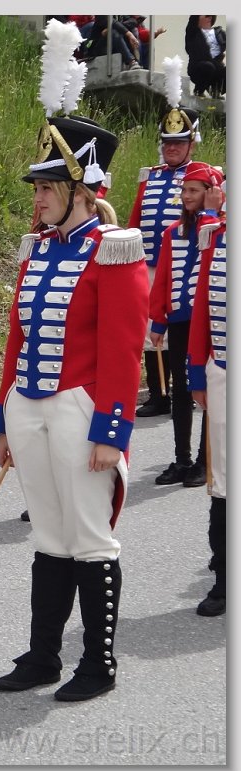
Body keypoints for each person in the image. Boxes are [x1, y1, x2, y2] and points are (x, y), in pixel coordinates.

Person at [0, 107, 148, 702]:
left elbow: (123, 349)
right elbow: (17, 337)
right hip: (30, 406)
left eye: (47, 187)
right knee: (48, 537)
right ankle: (43, 656)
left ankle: (99, 663)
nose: (37, 198)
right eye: (37, 188)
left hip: (81, 408)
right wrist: (5, 418)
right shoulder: (39, 249)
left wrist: (113, 430)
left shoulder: (114, 250)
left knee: (89, 537)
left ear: (81, 191)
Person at [127, 66, 202, 420]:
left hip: (184, 264)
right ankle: (158, 394)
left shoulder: (201, 176)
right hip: (148, 263)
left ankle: (183, 390)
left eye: (179, 143)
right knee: (148, 330)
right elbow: (136, 219)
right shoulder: (150, 176)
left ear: (191, 144)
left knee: (180, 327)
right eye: (168, 142)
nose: (172, 148)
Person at [148, 162, 222, 488]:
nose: (186, 196)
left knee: (206, 391)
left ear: (211, 192)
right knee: (180, 390)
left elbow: (211, 258)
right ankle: (182, 459)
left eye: (193, 191)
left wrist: (211, 212)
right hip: (179, 320)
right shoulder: (173, 232)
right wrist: (158, 319)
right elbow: (163, 278)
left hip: (208, 325)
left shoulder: (217, 229)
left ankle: (205, 461)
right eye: (184, 191)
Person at [186, 183, 227, 616]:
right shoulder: (216, 237)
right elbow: (202, 308)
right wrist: (197, 370)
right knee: (223, 483)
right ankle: (224, 579)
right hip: (223, 373)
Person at [79, 15, 143, 70]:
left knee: (128, 30)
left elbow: (133, 21)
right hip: (95, 49)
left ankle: (137, 62)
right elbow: (111, 22)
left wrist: (118, 27)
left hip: (111, 47)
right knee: (113, 32)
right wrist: (129, 34)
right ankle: (131, 62)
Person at [184, 15, 226, 98]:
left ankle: (216, 90)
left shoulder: (219, 32)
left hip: (216, 68)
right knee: (208, 66)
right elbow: (193, 20)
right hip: (198, 68)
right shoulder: (193, 31)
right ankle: (199, 91)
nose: (208, 19)